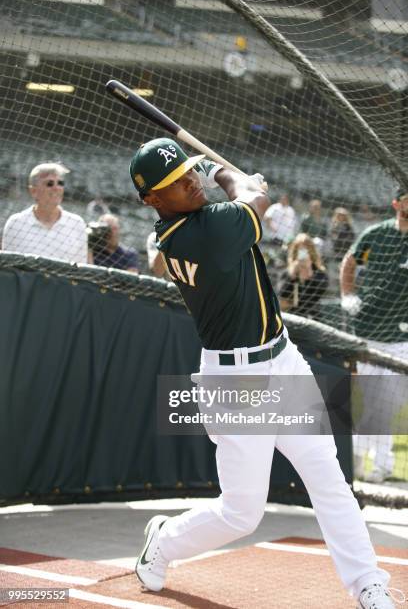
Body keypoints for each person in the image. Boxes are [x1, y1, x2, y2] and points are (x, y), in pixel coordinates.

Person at [126, 137, 397, 607]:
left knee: (328, 478)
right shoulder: (197, 233)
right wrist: (229, 177)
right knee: (241, 513)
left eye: (190, 173)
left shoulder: (204, 223)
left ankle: (368, 584)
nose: (189, 184)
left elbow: (250, 203)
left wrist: (235, 185)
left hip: (282, 359)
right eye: (175, 183)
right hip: (237, 382)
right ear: (151, 200)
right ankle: (164, 540)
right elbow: (257, 201)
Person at [340, 188, 408, 484]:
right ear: (396, 203)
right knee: (367, 399)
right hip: (367, 329)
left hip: (401, 336)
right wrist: (347, 295)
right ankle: (360, 461)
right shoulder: (376, 233)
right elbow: (349, 261)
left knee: (391, 402)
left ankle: (379, 463)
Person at [2, 162, 88, 263]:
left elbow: (82, 268)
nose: (56, 188)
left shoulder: (77, 223)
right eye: (49, 184)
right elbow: (7, 268)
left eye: (60, 183)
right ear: (33, 191)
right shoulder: (16, 223)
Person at [279, 233, 328, 319]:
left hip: (313, 318)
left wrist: (309, 273)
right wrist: (292, 276)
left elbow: (319, 293)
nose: (303, 253)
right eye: (300, 249)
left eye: (305, 249)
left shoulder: (319, 273)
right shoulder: (287, 273)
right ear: (295, 251)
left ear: (311, 251)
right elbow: (282, 300)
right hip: (292, 318)